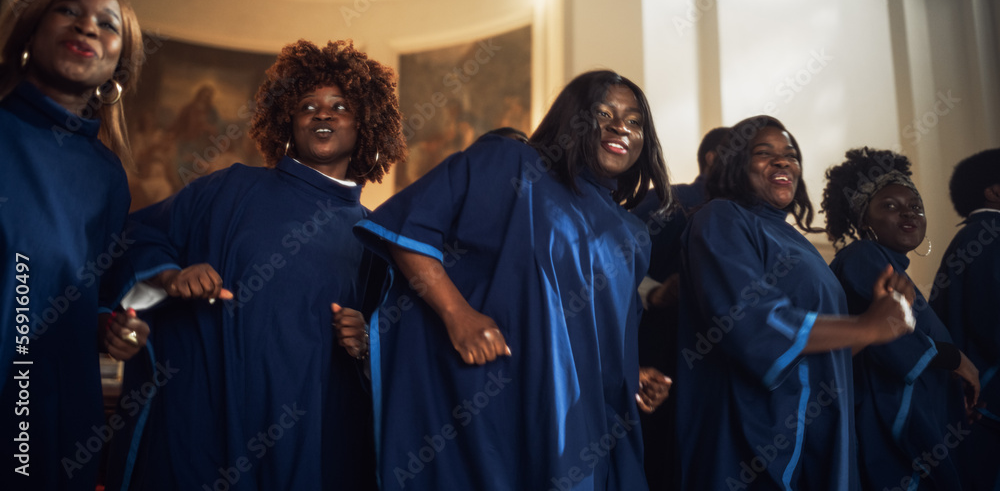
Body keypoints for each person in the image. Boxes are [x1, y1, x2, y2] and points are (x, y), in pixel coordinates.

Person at [102, 39, 405, 490]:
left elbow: (398, 345)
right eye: (308, 105)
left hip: (309, 434)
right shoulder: (228, 189)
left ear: (366, 125)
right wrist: (171, 276)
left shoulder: (375, 238)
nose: (323, 114)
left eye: (340, 106)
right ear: (287, 120)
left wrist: (366, 341)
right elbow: (136, 235)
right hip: (205, 417)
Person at [352, 70, 672, 490]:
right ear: (573, 117)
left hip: (583, 416)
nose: (620, 128)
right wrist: (457, 315)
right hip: (499, 394)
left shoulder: (631, 233)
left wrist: (634, 372)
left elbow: (607, 330)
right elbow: (410, 229)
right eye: (604, 113)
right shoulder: (512, 164)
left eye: (634, 121)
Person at [675, 116, 917, 490]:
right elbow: (750, 326)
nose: (783, 161)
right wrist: (868, 324)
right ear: (735, 162)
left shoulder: (796, 241)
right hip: (754, 435)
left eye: (790, 155)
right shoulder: (720, 218)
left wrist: (882, 323)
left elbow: (824, 352)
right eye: (764, 153)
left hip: (818, 427)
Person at [0, 0, 148, 489]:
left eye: (108, 25)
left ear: (117, 68)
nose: (87, 25)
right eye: (68, 11)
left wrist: (114, 328)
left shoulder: (107, 175)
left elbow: (98, 294)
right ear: (30, 34)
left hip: (55, 412)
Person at [822, 147, 979, 490]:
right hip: (890, 430)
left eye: (915, 206)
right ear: (865, 220)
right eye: (890, 206)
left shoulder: (892, 266)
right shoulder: (862, 255)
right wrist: (956, 359)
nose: (908, 213)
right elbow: (891, 340)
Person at [629, 126, 728, 490]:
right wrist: (655, 292)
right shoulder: (668, 201)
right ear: (713, 158)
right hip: (657, 355)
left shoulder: (742, 216)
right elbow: (609, 269)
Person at [930, 148, 1000, 491]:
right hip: (989, 402)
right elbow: (992, 324)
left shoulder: (969, 237)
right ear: (995, 190)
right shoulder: (991, 237)